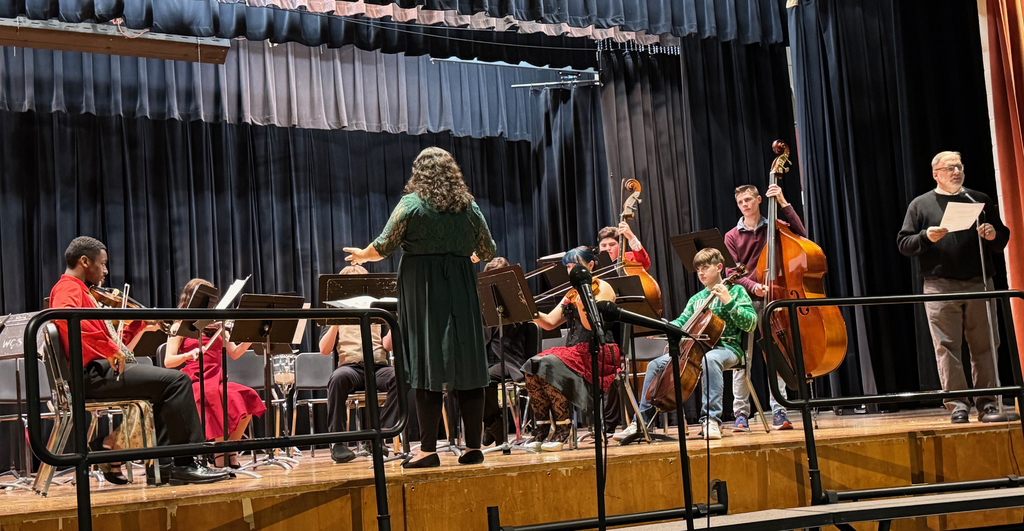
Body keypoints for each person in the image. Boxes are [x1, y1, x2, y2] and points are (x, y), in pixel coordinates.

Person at [344, 147, 496, 468]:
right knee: (467, 363)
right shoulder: (468, 207)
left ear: (419, 173)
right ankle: (472, 448)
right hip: (462, 287)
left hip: (424, 289)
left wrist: (360, 254)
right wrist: (464, 256)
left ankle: (427, 450)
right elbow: (488, 248)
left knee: (427, 364)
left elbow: (383, 246)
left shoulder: (411, 204)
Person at [48, 236, 229, 485]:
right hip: (91, 375)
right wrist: (110, 349)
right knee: (177, 381)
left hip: (98, 371)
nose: (106, 270)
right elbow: (68, 323)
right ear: (84, 261)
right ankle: (186, 463)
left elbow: (111, 338)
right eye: (102, 264)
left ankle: (165, 466)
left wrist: (139, 325)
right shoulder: (69, 288)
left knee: (164, 388)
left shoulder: (82, 290)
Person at [897, 151, 1010, 424]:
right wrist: (925, 236)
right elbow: (904, 243)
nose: (956, 171)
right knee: (947, 347)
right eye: (949, 168)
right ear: (936, 174)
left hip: (979, 283)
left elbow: (1002, 237)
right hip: (940, 285)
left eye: (959, 166)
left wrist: (994, 235)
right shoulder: (921, 205)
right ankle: (958, 404)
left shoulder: (977, 199)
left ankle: (989, 404)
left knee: (985, 346)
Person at [616, 248, 756, 441]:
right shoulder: (697, 299)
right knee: (654, 365)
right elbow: (682, 322)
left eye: (706, 268)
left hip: (728, 349)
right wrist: (660, 327)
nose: (701, 273)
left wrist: (729, 301)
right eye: (698, 269)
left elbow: (751, 323)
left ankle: (711, 420)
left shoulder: (737, 291)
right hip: (695, 350)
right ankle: (641, 423)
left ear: (720, 267)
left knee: (710, 359)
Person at [723, 184, 805, 431]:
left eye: (749, 199)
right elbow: (731, 272)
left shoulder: (775, 227)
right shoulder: (731, 236)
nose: (745, 205)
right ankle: (740, 414)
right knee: (743, 359)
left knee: (776, 356)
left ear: (759, 200)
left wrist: (783, 201)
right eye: (741, 202)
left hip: (774, 298)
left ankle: (779, 409)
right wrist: (753, 286)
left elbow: (801, 235)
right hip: (746, 300)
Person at [523, 247, 620, 452]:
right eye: (568, 266)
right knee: (532, 366)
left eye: (575, 265)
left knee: (549, 364)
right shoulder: (571, 293)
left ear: (590, 265)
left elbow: (591, 326)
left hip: (599, 350)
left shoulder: (603, 287)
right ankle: (542, 428)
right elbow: (549, 322)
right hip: (574, 351)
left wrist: (584, 303)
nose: (570, 270)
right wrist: (528, 309)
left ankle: (563, 427)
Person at [163, 278, 267, 468]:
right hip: (193, 381)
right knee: (214, 396)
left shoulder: (218, 326)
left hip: (217, 378)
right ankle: (220, 455)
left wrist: (252, 337)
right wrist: (188, 354)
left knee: (246, 397)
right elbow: (168, 361)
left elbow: (235, 353)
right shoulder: (179, 326)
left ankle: (230, 450)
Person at [318, 265, 400, 464]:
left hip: (378, 367)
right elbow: (324, 349)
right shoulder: (334, 310)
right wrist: (337, 322)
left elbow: (387, 346)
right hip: (351, 368)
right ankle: (337, 442)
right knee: (337, 379)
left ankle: (380, 432)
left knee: (402, 375)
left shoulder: (377, 310)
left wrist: (395, 322)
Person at [479, 257, 532, 446]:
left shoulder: (518, 299)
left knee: (483, 378)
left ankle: (494, 428)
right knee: (460, 378)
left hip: (508, 360)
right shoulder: (481, 302)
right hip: (483, 357)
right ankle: (494, 424)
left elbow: (514, 329)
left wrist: (503, 306)